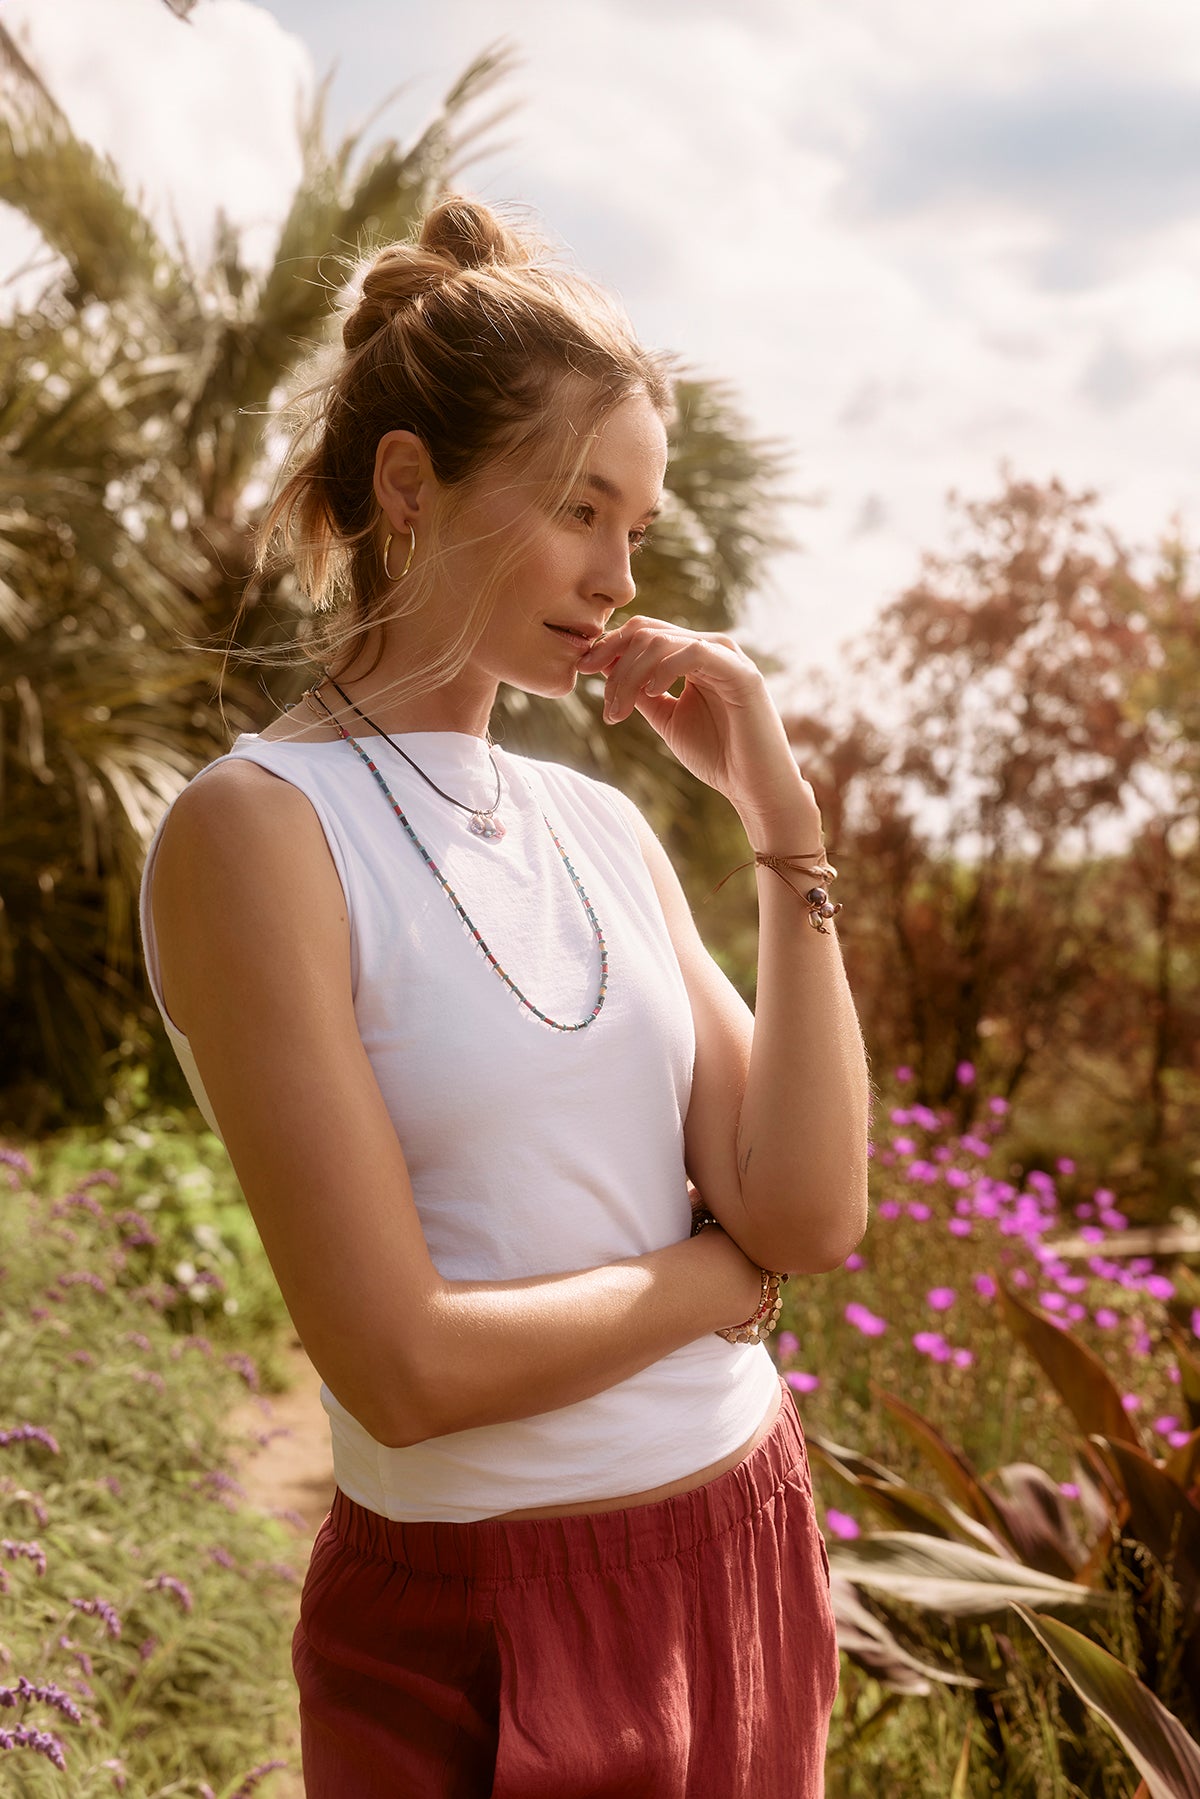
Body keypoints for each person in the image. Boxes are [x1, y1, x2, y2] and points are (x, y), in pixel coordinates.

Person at [137, 194, 869, 1798]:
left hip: (743, 1539)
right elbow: (401, 1364)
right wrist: (712, 1283)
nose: (618, 577)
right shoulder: (254, 832)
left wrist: (784, 827)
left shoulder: (595, 825)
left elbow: (809, 1213)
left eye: (639, 530)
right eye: (576, 509)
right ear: (410, 486)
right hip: (479, 1620)